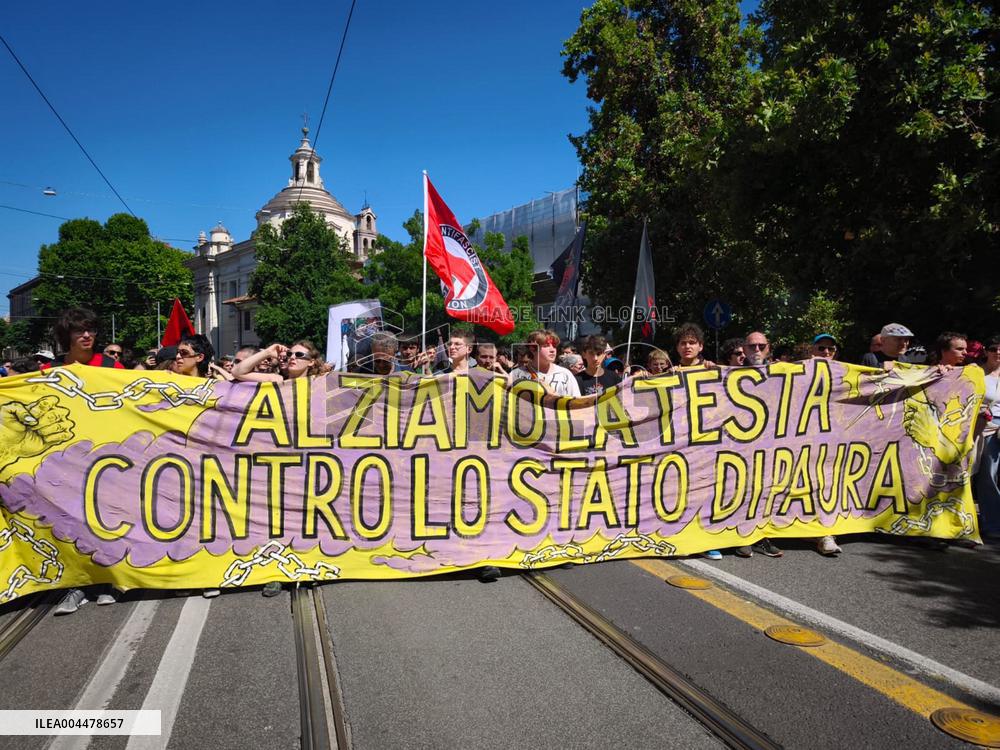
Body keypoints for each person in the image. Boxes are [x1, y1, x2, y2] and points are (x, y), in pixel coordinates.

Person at [48, 309, 124, 615]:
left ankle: (108, 581)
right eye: (80, 331)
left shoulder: (111, 365)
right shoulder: (51, 370)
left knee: (106, 520)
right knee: (70, 522)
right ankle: (76, 584)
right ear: (67, 336)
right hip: (66, 461)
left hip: (108, 457)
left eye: (91, 330)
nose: (87, 336)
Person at [733, 331, 783, 558]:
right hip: (739, 444)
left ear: (768, 347)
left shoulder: (782, 372)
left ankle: (762, 537)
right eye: (752, 346)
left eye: (761, 346)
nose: (757, 350)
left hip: (771, 444)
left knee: (765, 492)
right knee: (740, 490)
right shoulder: (731, 373)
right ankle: (742, 536)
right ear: (744, 348)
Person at [975, 335, 1000, 541]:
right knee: (986, 476)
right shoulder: (976, 372)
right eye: (994, 349)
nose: (998, 352)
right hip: (980, 427)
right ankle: (991, 524)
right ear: (986, 351)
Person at [510, 330, 581, 397]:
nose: (552, 350)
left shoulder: (565, 374)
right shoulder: (517, 375)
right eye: (546, 346)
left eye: (554, 346)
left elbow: (576, 403)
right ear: (533, 348)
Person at [231, 340, 323, 384]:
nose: (292, 357)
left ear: (311, 362)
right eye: (290, 354)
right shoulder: (277, 379)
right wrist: (267, 353)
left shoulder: (318, 384)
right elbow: (236, 372)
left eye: (299, 355)